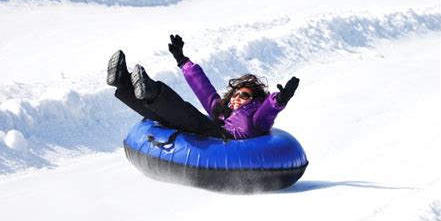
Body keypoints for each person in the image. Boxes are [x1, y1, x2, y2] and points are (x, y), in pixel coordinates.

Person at [107, 34, 299, 140]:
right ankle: (122, 82)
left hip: (223, 139)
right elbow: (203, 88)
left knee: (188, 115)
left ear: (254, 100)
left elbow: (268, 111)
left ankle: (152, 90)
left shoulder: (255, 118)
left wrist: (279, 100)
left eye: (244, 95)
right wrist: (182, 60)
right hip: (211, 130)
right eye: (235, 93)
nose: (236, 97)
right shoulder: (222, 110)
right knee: (162, 117)